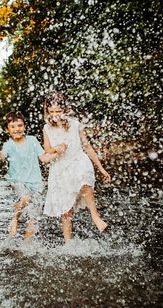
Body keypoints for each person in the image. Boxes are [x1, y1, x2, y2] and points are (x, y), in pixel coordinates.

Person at [42, 92, 111, 243]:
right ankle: (68, 243)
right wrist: (57, 149)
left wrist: (101, 169)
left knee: (85, 182)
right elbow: (47, 149)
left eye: (58, 111)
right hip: (60, 168)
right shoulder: (47, 128)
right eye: (51, 111)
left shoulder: (75, 124)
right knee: (66, 211)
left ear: (65, 110)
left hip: (78, 160)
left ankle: (95, 216)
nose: (55, 115)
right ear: (47, 111)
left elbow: (87, 147)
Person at [0, 111, 60, 240]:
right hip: (18, 181)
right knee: (25, 198)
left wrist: (58, 154)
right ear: (7, 130)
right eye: (13, 127)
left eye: (20, 125)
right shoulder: (8, 145)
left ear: (25, 126)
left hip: (36, 183)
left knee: (34, 217)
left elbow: (43, 158)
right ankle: (15, 218)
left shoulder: (32, 140)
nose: (17, 129)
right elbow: (2, 156)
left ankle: (26, 245)